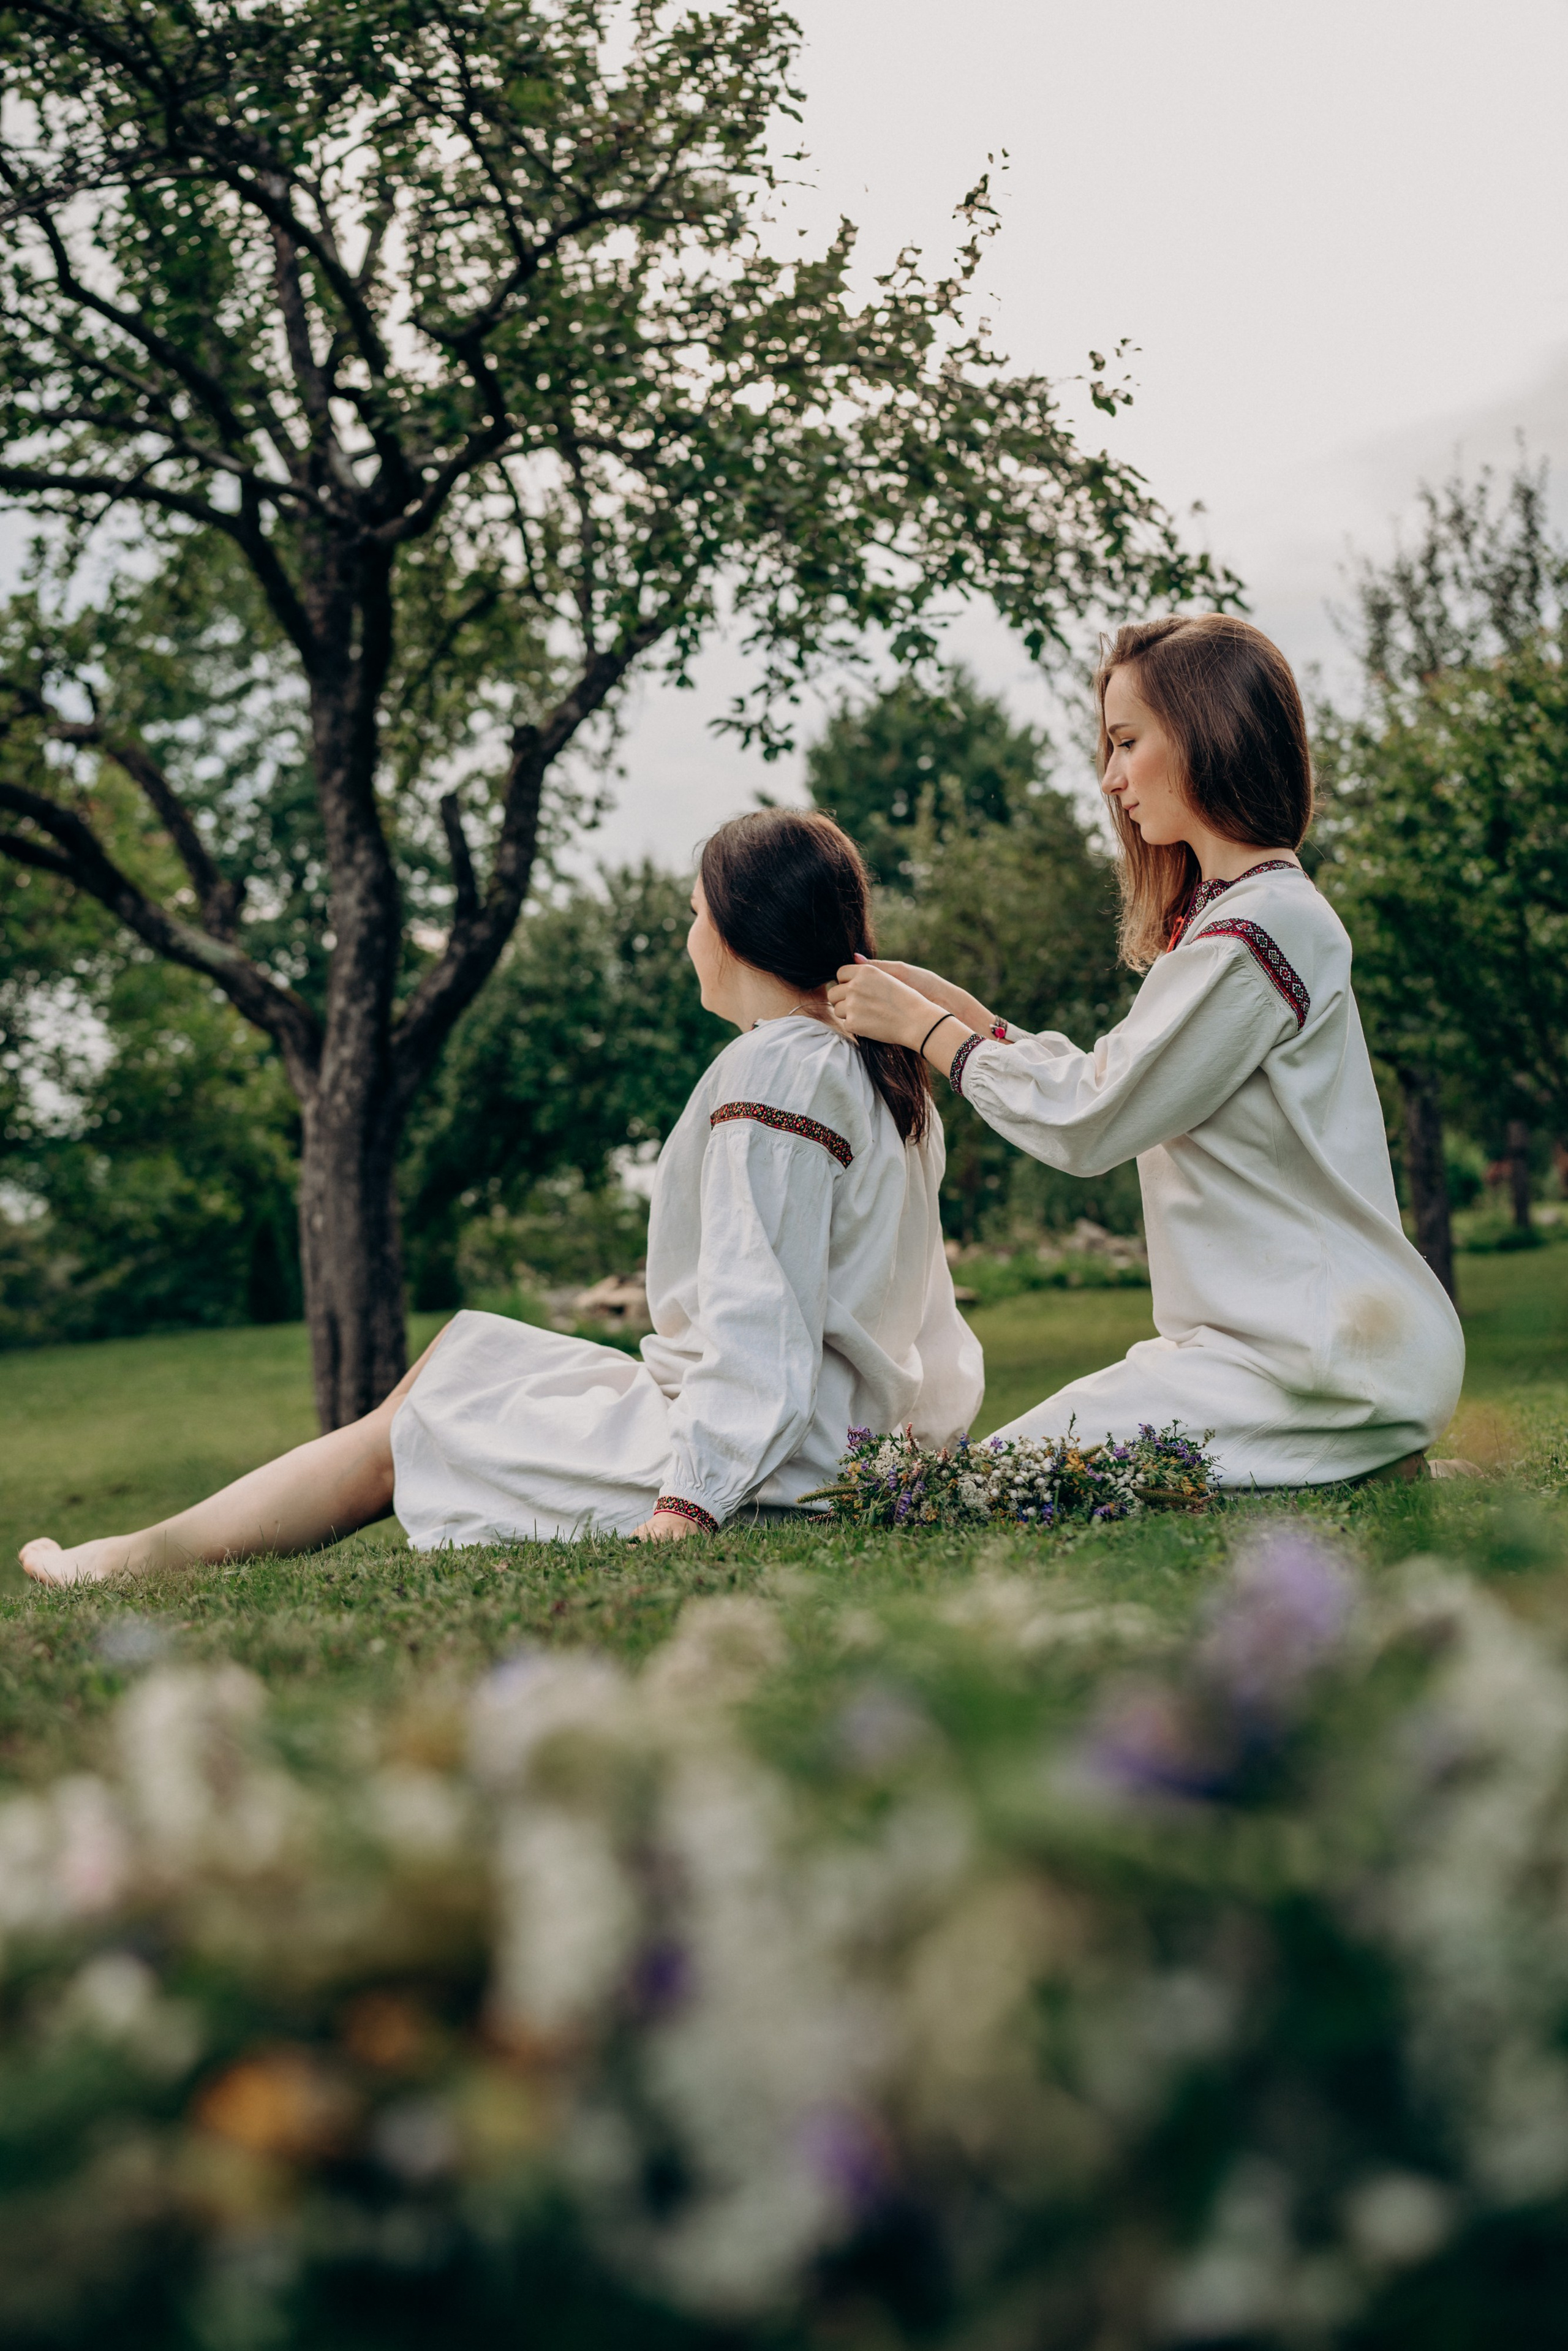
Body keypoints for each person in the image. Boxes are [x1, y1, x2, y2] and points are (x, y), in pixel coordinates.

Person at [21, 812, 981, 1585]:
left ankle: (125, 1562)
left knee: (415, 1430)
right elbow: (921, 1314)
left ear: (737, 928)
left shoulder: (774, 1067)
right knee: (459, 1360)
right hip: (821, 1450)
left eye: (695, 913)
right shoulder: (885, 1079)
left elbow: (757, 1311)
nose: (689, 937)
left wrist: (691, 1503)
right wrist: (922, 1450)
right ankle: (134, 1552)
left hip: (765, 1467)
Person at [827, 614, 1466, 1489]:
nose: (1110, 777)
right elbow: (1118, 1077)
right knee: (1006, 1469)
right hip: (1284, 1350)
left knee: (984, 1482)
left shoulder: (1255, 929)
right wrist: (969, 1017)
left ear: (1208, 735)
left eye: (1127, 742)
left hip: (1319, 1358)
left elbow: (1093, 1121)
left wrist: (925, 1032)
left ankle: (1358, 1446)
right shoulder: (1235, 916)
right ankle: (1357, 1456)